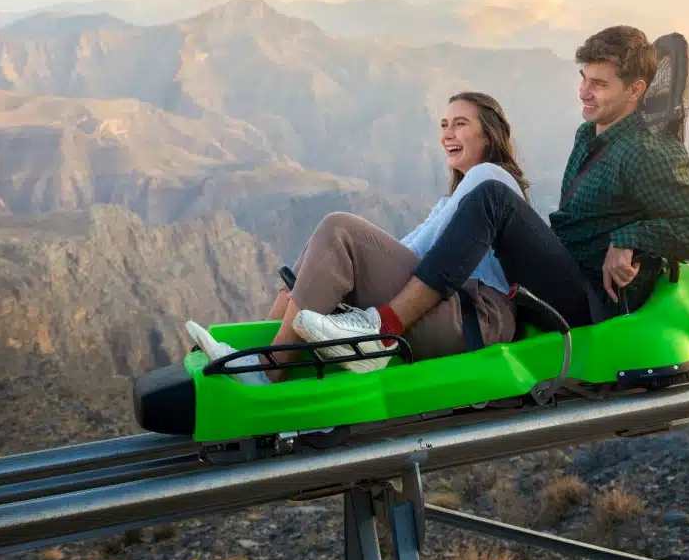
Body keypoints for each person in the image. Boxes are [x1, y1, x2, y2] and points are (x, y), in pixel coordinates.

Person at [296, 26, 689, 350]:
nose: (584, 92)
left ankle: (384, 329)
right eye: (584, 78)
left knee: (492, 196)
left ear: (636, 90)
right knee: (480, 207)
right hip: (562, 267)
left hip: (590, 298)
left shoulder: (646, 151)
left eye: (599, 84)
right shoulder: (589, 135)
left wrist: (630, 238)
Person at [189, 92, 529, 382]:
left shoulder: (492, 180)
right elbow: (412, 250)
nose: (447, 134)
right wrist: (328, 277)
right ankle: (258, 348)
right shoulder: (452, 201)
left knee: (339, 231)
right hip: (447, 310)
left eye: (460, 123)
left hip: (475, 318)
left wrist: (353, 268)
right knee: (325, 247)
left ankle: (267, 372)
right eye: (444, 125)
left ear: (489, 135)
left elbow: (427, 254)